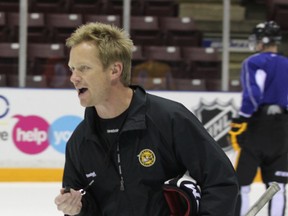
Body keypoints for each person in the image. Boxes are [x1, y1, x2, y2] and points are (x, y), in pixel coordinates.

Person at [54, 22, 239, 216]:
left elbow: (220, 181)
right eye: (72, 68)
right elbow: (86, 207)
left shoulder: (170, 119)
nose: (73, 78)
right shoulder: (80, 141)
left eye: (84, 68)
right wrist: (76, 209)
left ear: (115, 70)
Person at [229, 20, 288, 216]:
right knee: (277, 184)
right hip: (282, 128)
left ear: (263, 40)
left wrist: (242, 118)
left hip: (258, 126)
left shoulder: (253, 62)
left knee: (242, 183)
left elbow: (253, 94)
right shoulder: (286, 63)